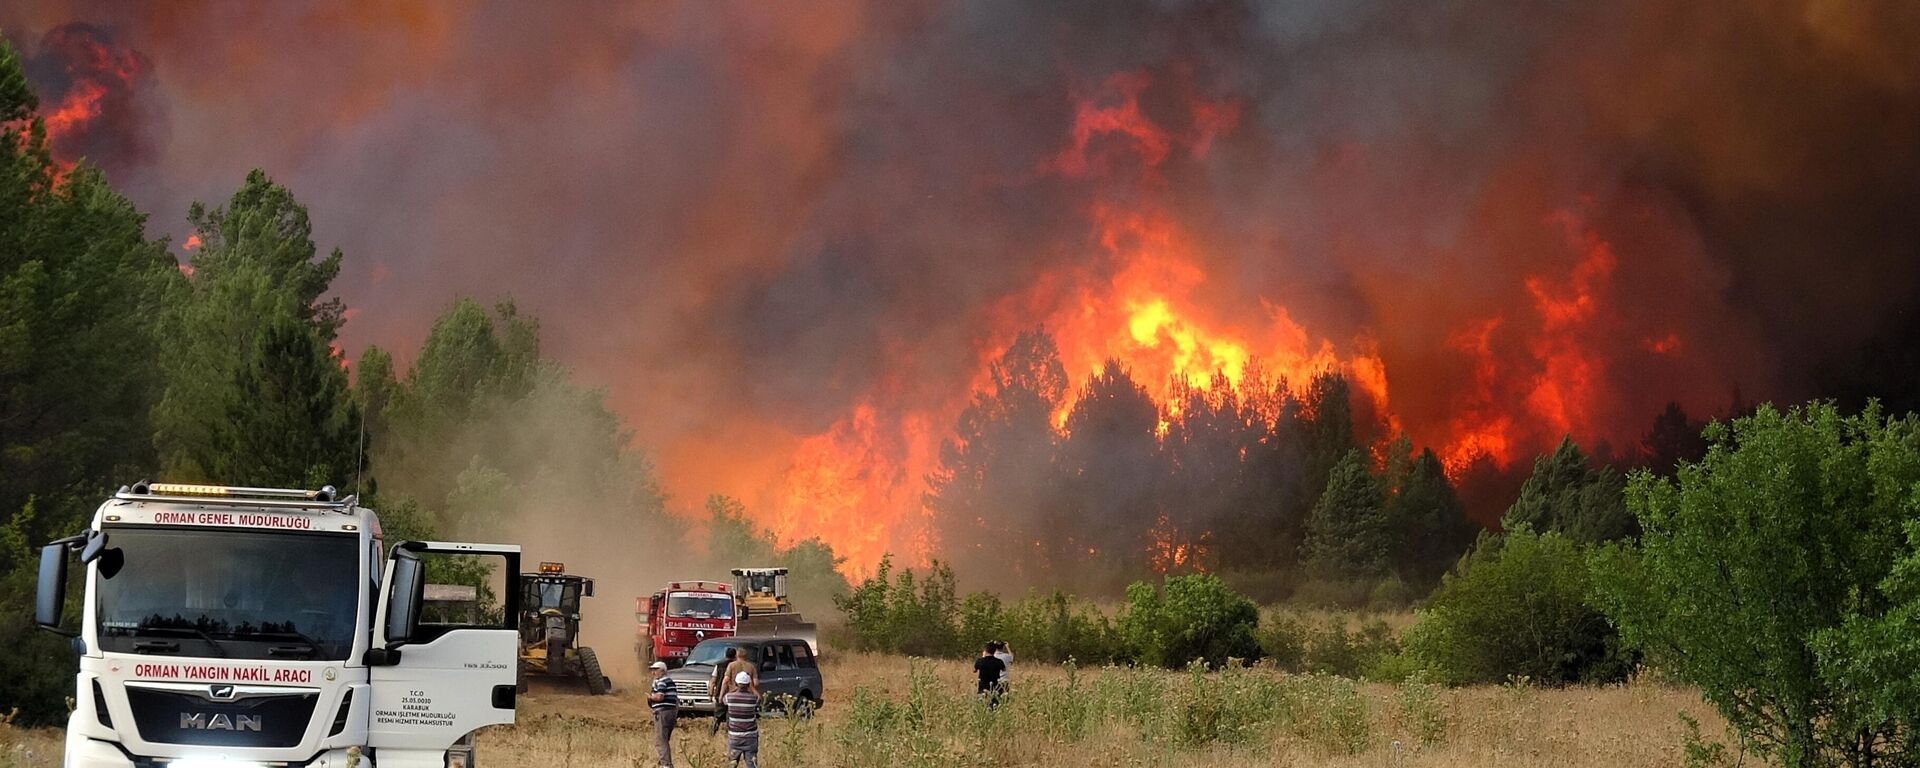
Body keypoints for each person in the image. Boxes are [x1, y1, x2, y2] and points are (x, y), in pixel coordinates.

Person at [722, 671, 761, 768]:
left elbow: (724, 700)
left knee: (732, 764)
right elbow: (759, 698)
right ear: (748, 684)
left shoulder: (729, 697)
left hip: (735, 737)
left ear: (736, 684)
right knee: (752, 764)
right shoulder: (753, 699)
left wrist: (733, 690)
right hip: (750, 737)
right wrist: (752, 687)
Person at [647, 661, 678, 768]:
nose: (653, 673)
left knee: (661, 740)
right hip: (671, 712)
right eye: (652, 670)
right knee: (665, 738)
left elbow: (660, 697)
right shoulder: (670, 681)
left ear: (662, 671)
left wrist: (650, 697)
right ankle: (662, 762)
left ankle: (666, 764)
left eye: (655, 670)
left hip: (662, 712)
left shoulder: (662, 681)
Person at [973, 642, 1006, 707]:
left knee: (983, 706)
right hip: (995, 687)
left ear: (985, 651)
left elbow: (974, 670)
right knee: (995, 706)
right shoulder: (999, 661)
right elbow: (1004, 669)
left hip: (983, 687)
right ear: (994, 652)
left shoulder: (980, 661)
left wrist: (983, 657)